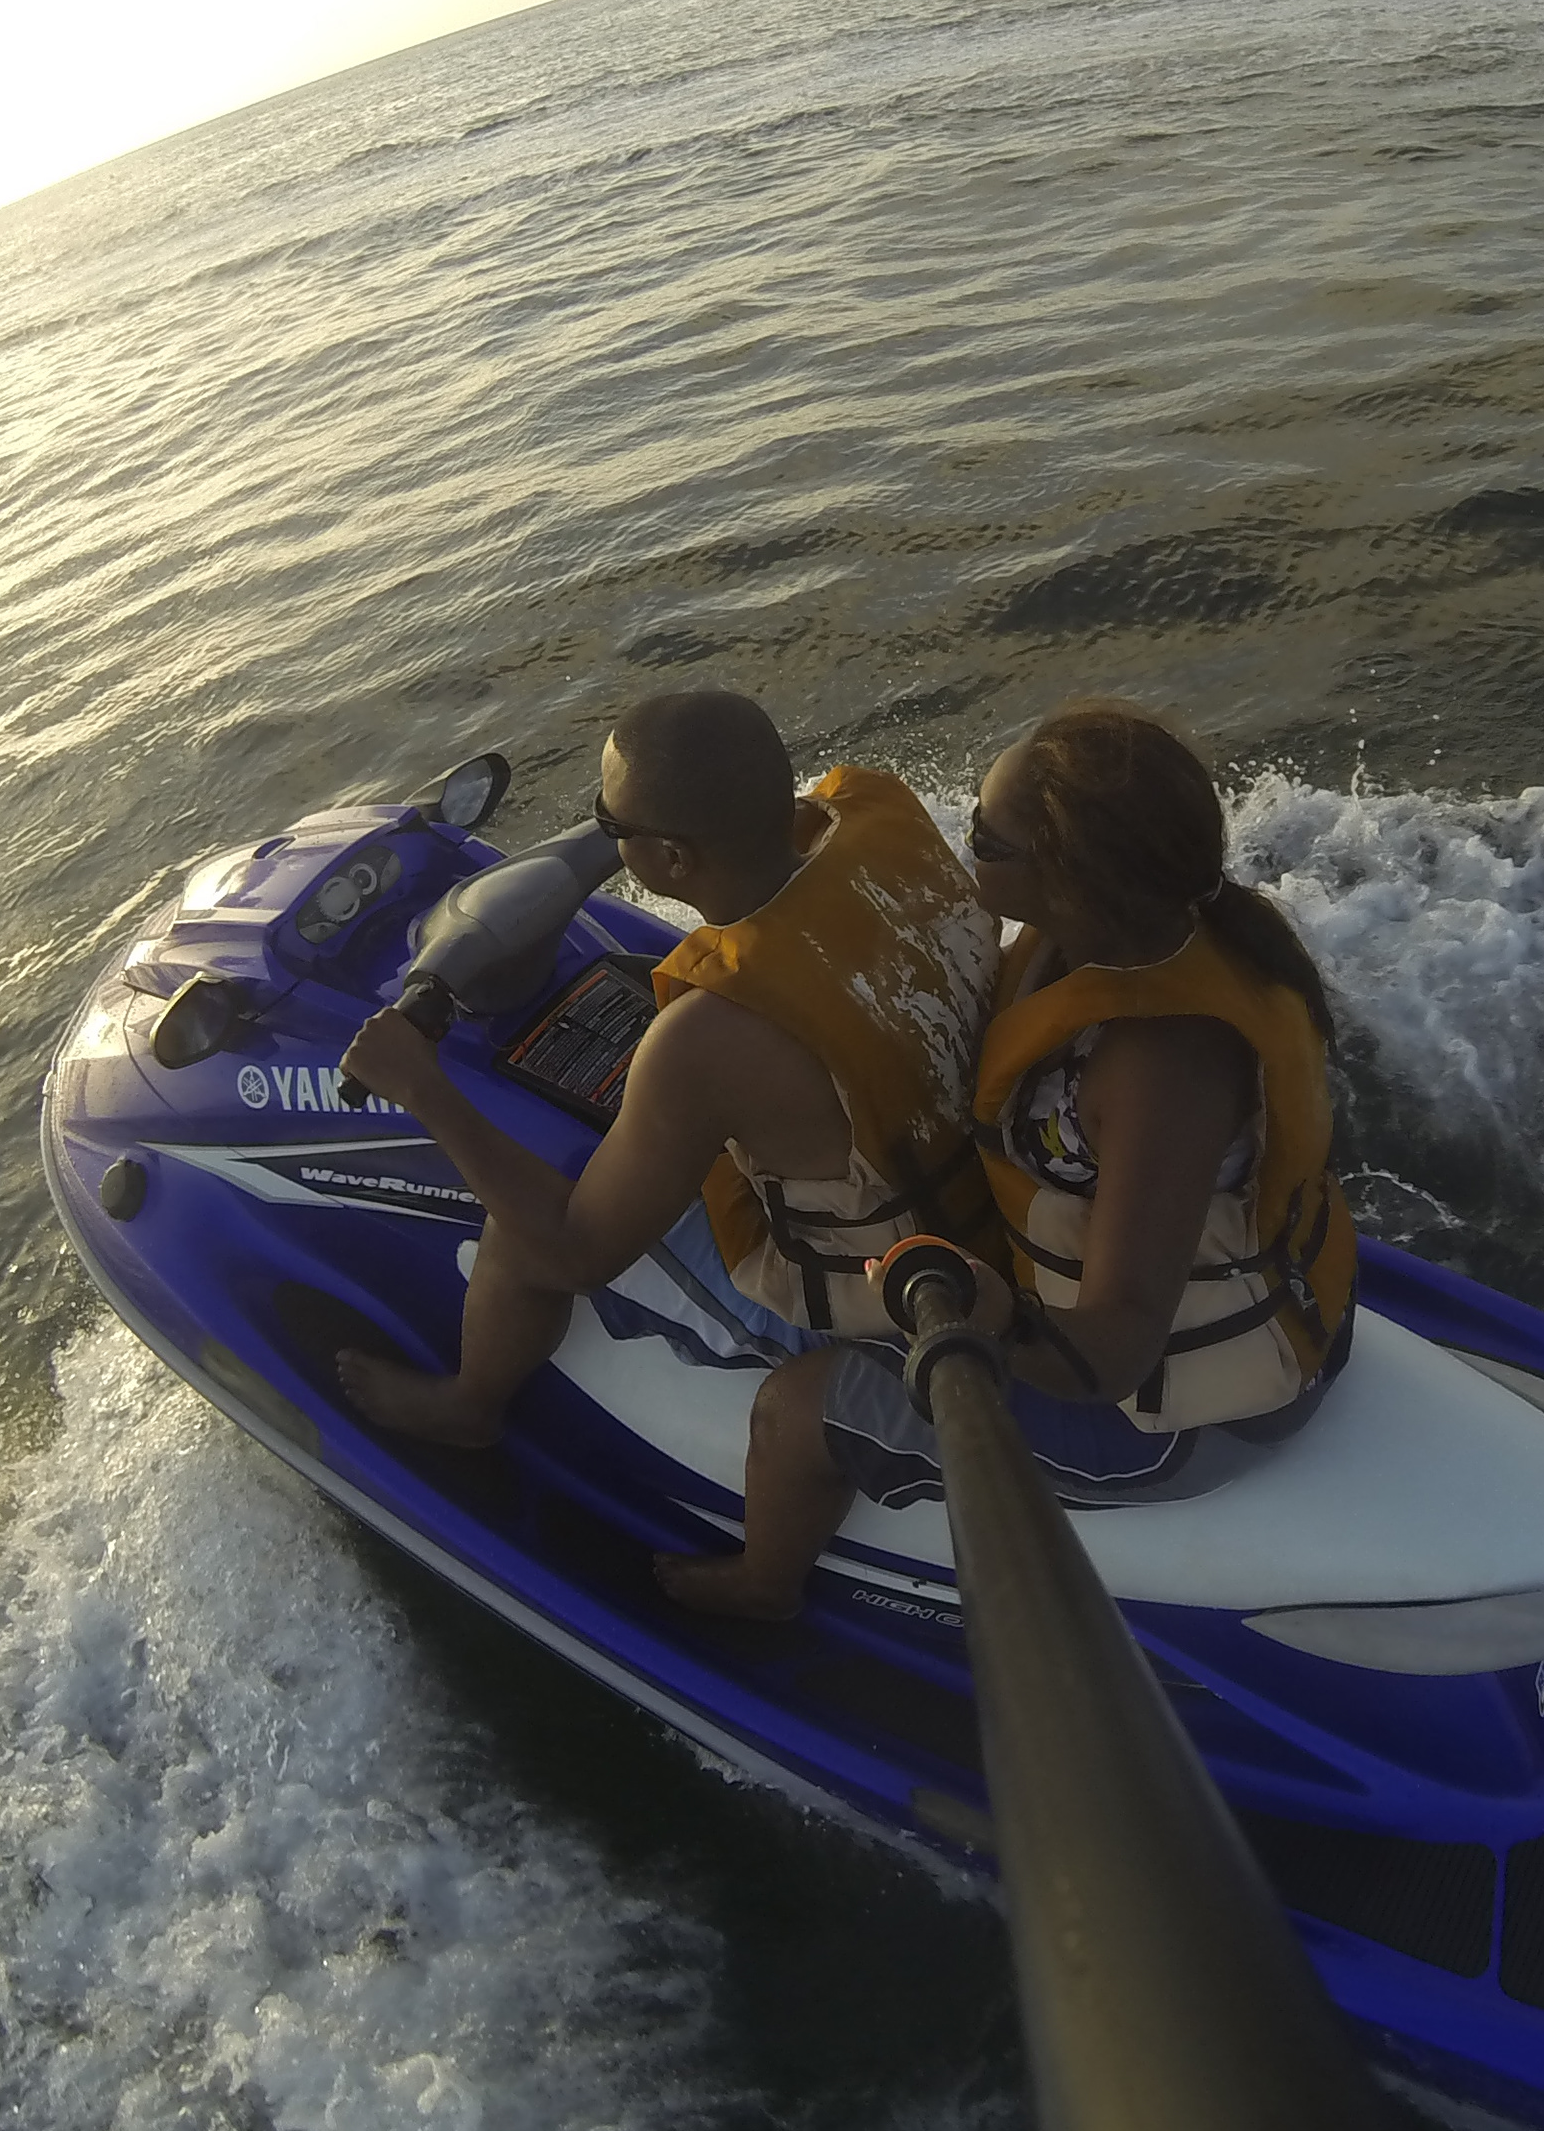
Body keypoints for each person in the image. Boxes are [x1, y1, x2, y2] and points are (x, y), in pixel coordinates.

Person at [660, 698, 1358, 1620]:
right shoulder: (1087, 943)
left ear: (1069, 877)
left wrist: (993, 1323)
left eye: (987, 840)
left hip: (1174, 1418)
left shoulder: (1161, 1068)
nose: (965, 845)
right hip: (1178, 1299)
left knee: (796, 1410)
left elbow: (1117, 1348)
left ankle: (761, 1592)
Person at [334, 687, 1000, 1467]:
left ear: (673, 860)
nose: (603, 833)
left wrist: (422, 1088)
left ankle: (469, 1405)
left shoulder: (705, 1040)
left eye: (611, 823)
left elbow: (578, 1251)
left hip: (895, 1283)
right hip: (979, 1190)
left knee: (521, 1234)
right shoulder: (879, 827)